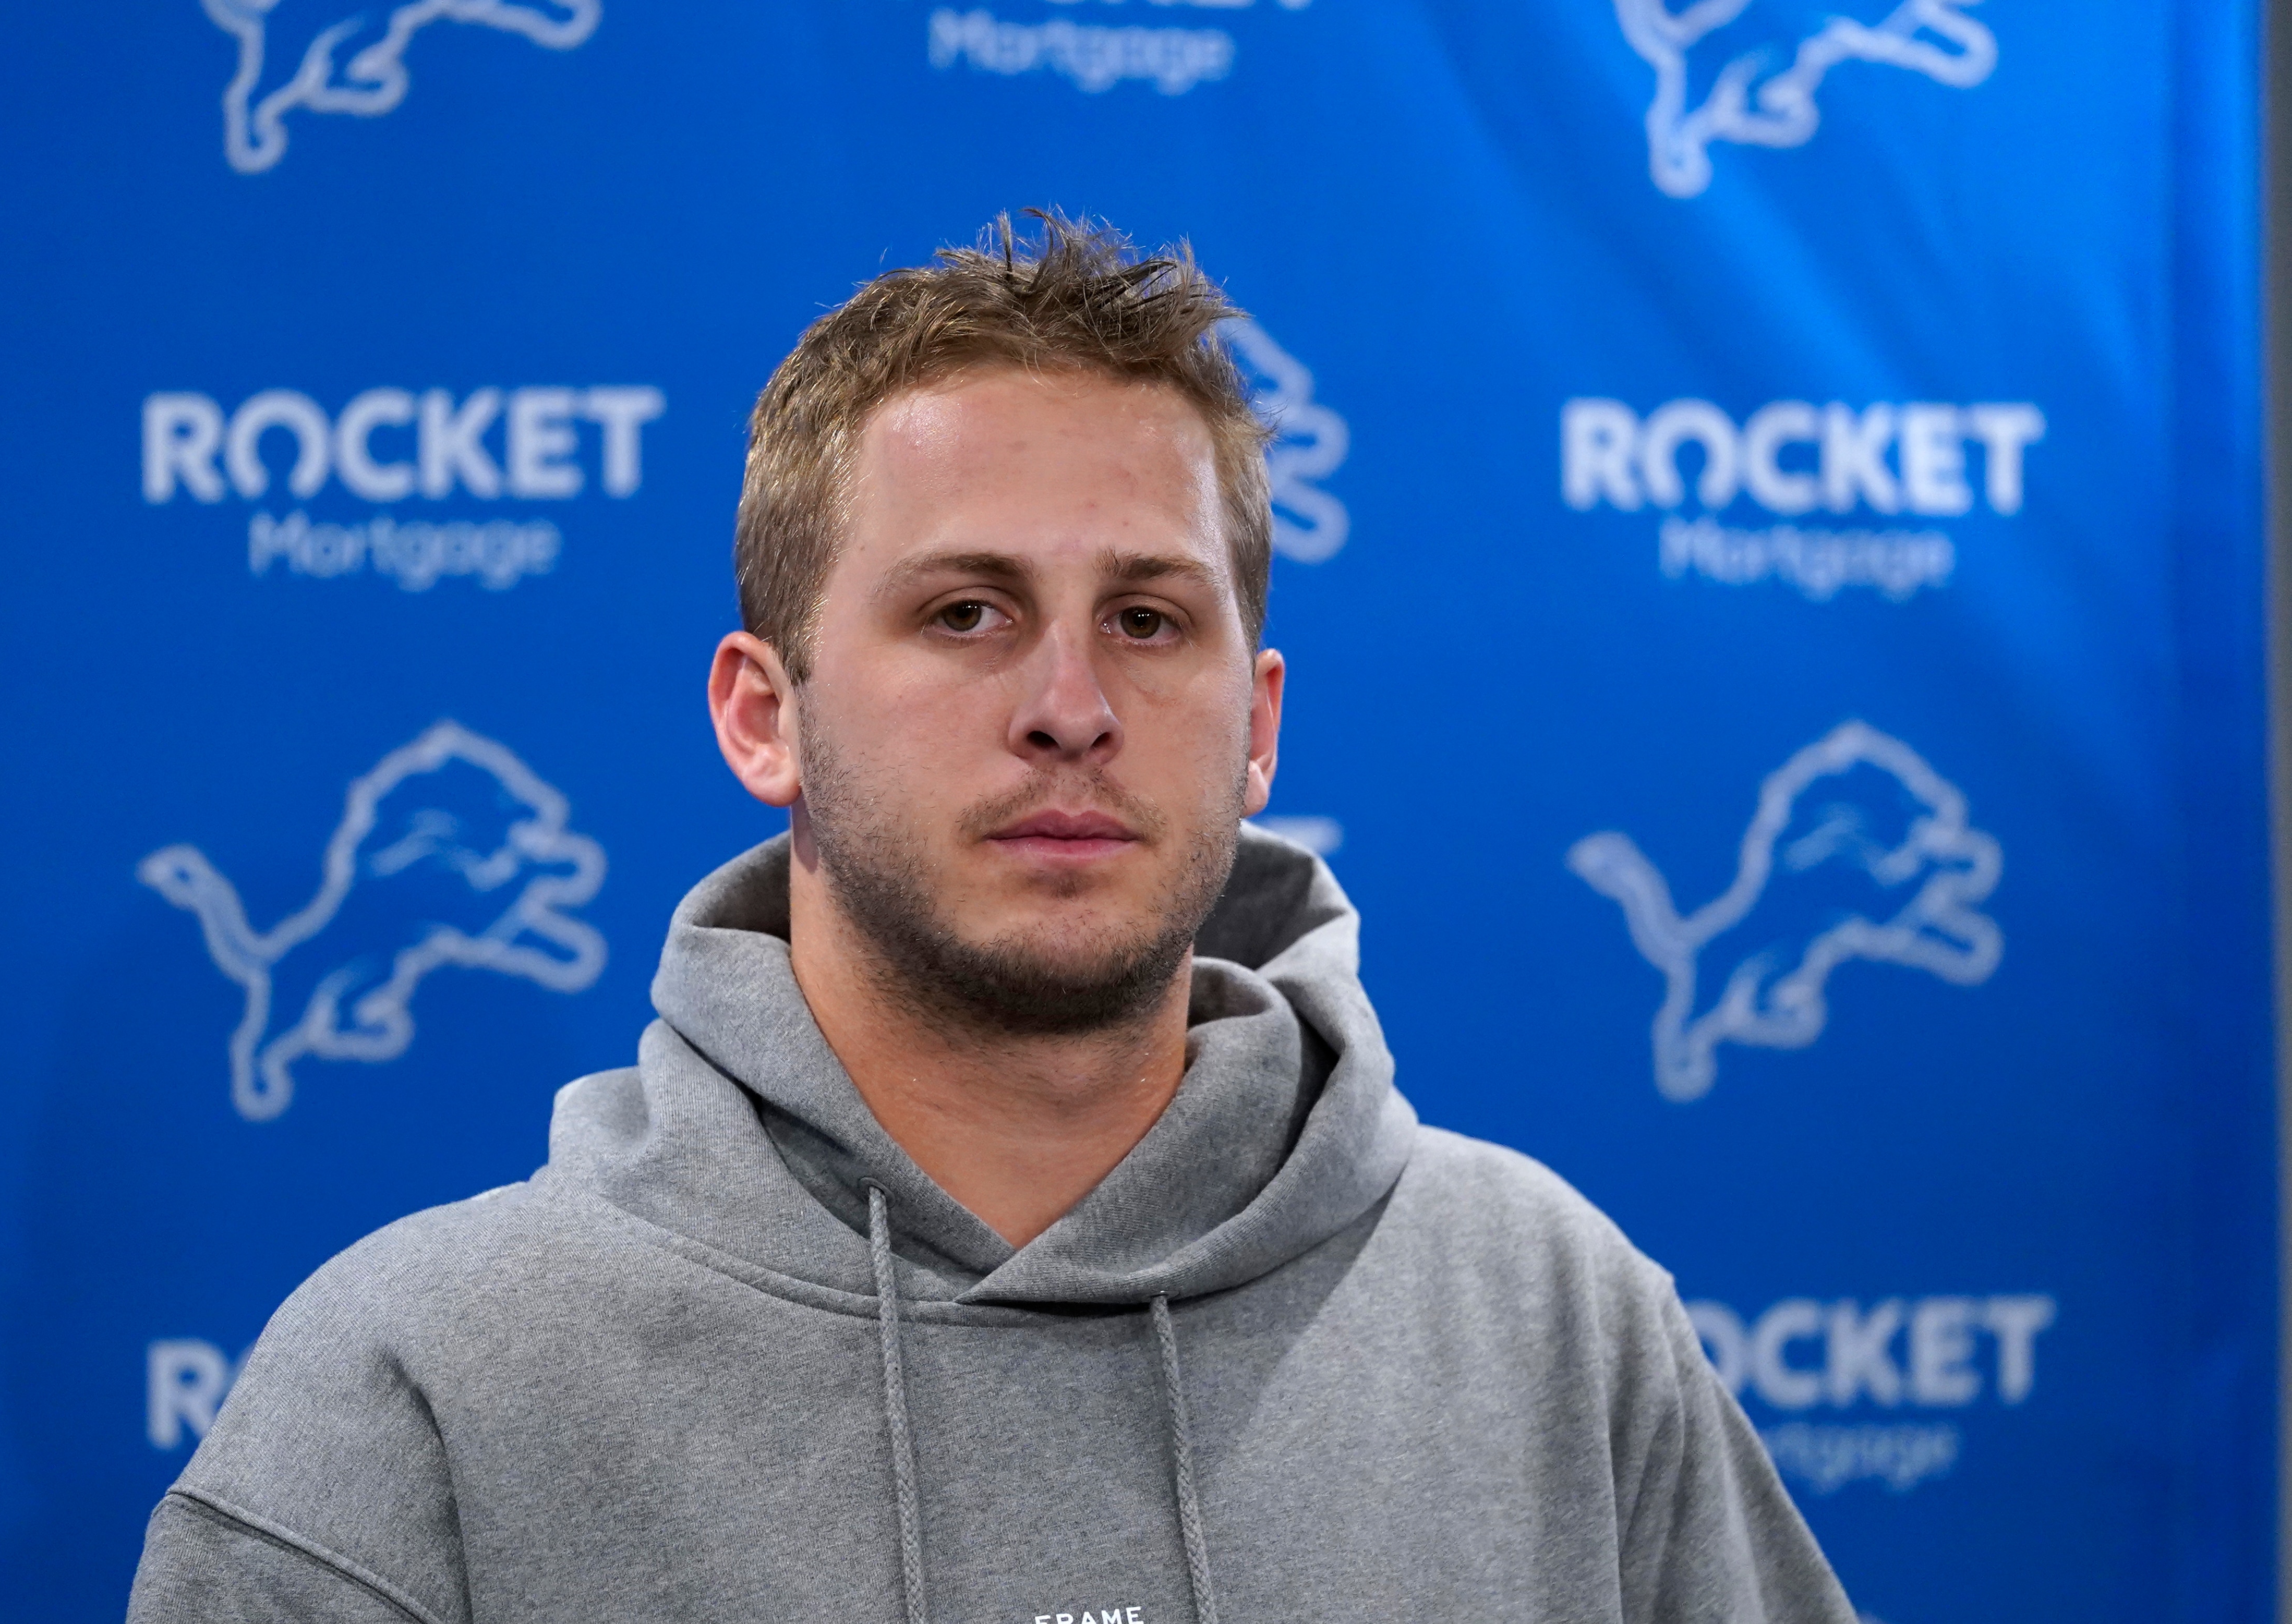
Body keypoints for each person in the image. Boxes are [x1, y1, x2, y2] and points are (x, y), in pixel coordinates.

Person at [128, 213, 1857, 1624]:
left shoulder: (1553, 1319)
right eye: (965, 611)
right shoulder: (415, 1388)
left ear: (1258, 726)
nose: (1069, 703)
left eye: (1149, 620)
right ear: (763, 715)